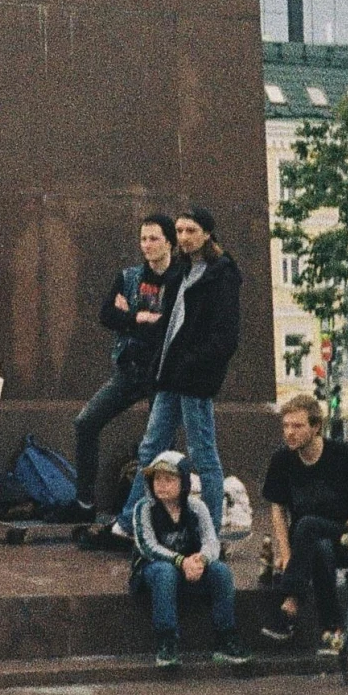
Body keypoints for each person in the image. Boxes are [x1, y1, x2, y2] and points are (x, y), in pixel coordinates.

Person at [114, 208, 240, 538]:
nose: (183, 237)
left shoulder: (221, 274)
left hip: (195, 380)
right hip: (169, 376)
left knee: (203, 456)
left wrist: (193, 364)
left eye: (190, 231)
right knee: (150, 449)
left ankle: (208, 530)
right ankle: (129, 522)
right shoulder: (181, 270)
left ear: (207, 233)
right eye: (180, 231)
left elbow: (225, 338)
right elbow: (170, 325)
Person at [70, 215, 174, 525]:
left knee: (160, 445)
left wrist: (131, 316)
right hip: (129, 369)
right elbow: (106, 315)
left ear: (169, 242)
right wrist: (137, 320)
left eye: (153, 239)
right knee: (85, 422)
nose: (147, 245)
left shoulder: (179, 279)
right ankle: (85, 501)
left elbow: (171, 327)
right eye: (143, 239)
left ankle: (159, 509)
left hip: (163, 374)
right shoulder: (128, 277)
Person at [260, 394, 348, 657]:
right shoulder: (282, 460)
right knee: (318, 545)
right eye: (286, 426)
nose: (289, 433)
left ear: (316, 427)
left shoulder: (343, 454)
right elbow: (277, 509)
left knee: (308, 525)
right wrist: (287, 554)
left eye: (298, 426)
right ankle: (333, 632)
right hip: (310, 544)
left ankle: (290, 605)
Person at [130, 450, 250, 670]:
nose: (161, 485)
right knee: (164, 572)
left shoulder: (196, 507)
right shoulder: (144, 508)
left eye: (169, 479)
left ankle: (226, 636)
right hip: (153, 571)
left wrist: (201, 560)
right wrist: (180, 561)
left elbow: (211, 541)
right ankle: (167, 640)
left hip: (190, 569)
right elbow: (148, 546)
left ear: (183, 482)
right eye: (157, 479)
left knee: (221, 571)